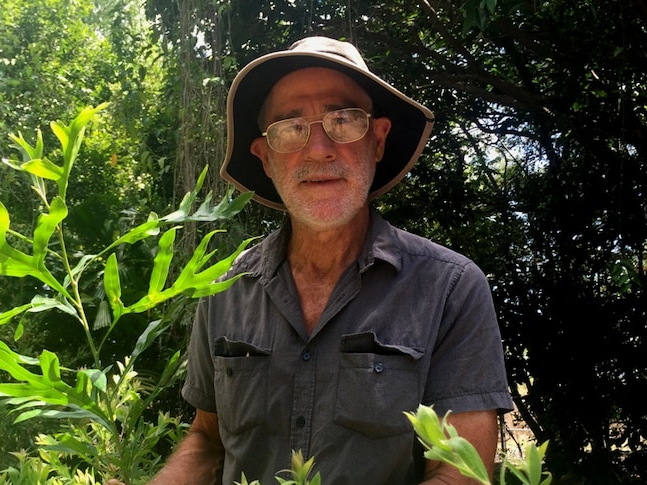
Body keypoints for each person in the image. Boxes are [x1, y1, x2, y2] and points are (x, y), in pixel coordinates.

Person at [137, 36, 514, 485]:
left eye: (344, 119)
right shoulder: (224, 291)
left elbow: (461, 475)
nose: (319, 150)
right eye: (291, 128)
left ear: (377, 140)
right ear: (266, 159)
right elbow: (207, 439)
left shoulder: (450, 289)